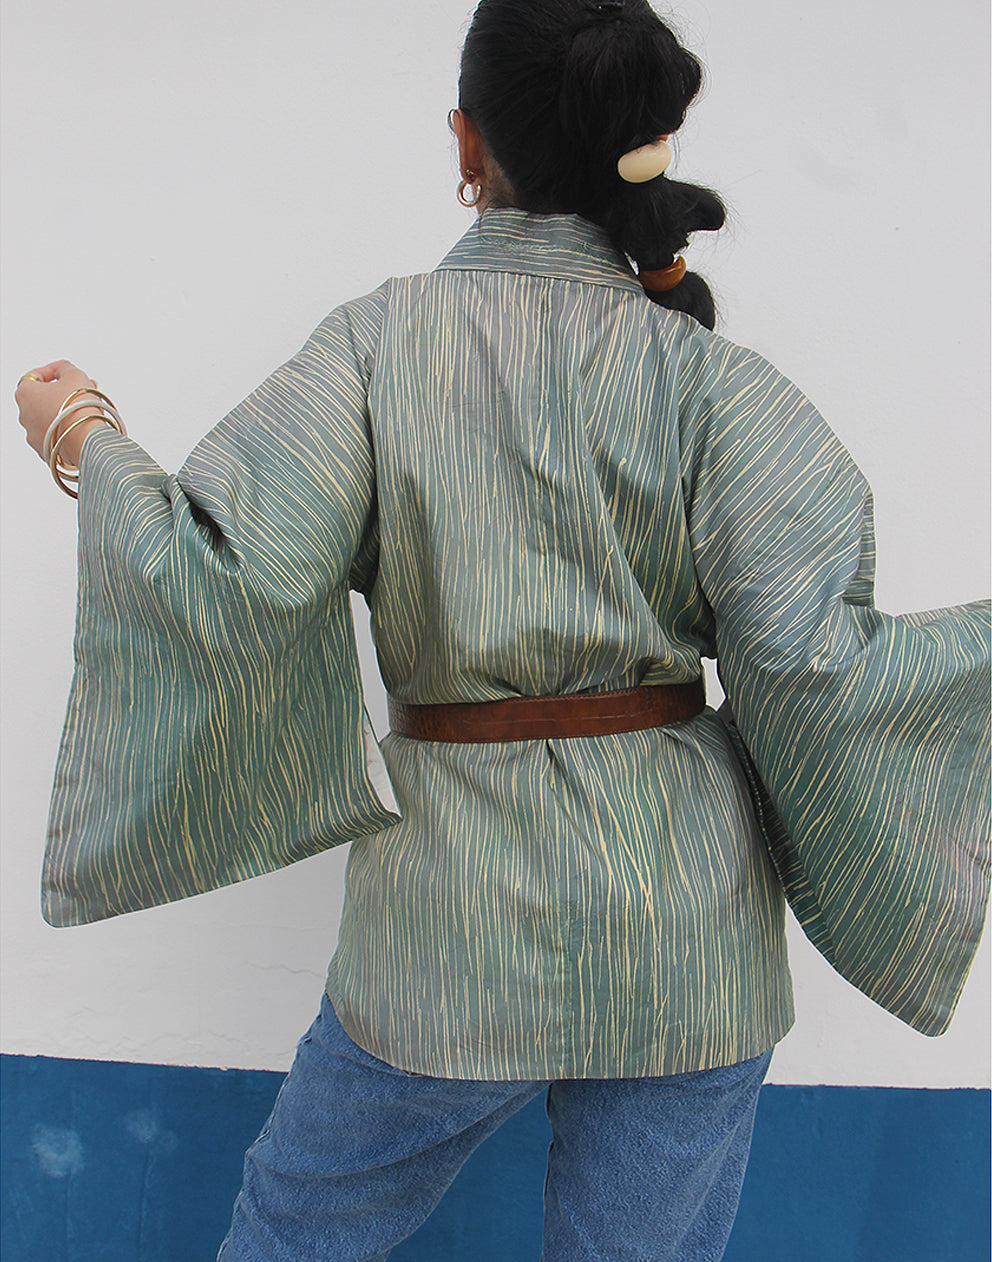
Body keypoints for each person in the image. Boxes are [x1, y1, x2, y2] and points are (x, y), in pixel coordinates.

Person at [14, 1, 989, 1259]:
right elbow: (814, 663)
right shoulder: (710, 381)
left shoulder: (375, 347)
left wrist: (85, 437)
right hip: (687, 931)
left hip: (445, 921)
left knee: (294, 1232)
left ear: (469, 143)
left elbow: (224, 574)